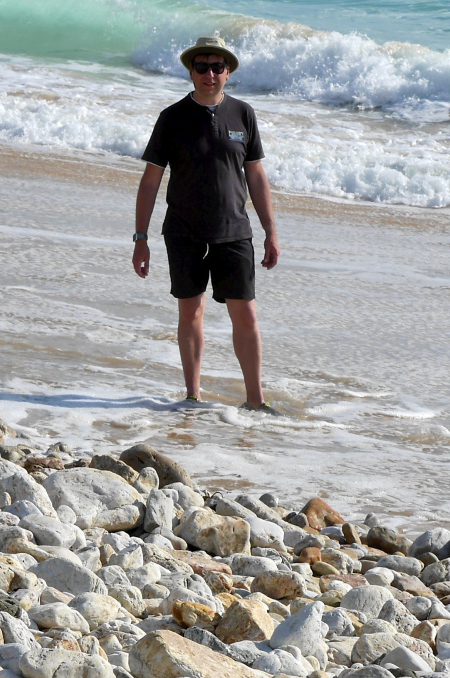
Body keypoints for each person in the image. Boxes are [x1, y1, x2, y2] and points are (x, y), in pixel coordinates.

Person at [131, 35, 279, 413]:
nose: (210, 73)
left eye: (217, 67)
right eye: (202, 66)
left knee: (245, 314)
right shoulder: (172, 118)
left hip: (235, 231)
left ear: (227, 73)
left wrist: (271, 233)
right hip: (184, 232)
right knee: (191, 312)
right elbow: (150, 180)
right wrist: (141, 238)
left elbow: (257, 177)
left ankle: (255, 401)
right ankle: (193, 396)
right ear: (191, 71)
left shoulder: (243, 114)